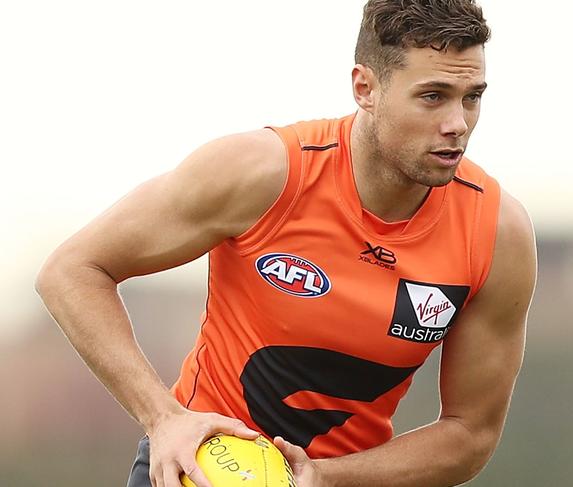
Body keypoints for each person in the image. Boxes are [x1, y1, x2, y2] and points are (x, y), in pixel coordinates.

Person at [36, 1, 537, 486]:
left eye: (472, 97)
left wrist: (325, 478)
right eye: (433, 96)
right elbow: (71, 271)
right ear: (366, 87)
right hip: (199, 472)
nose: (458, 123)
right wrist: (163, 418)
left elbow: (470, 433)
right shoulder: (264, 173)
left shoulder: (496, 232)